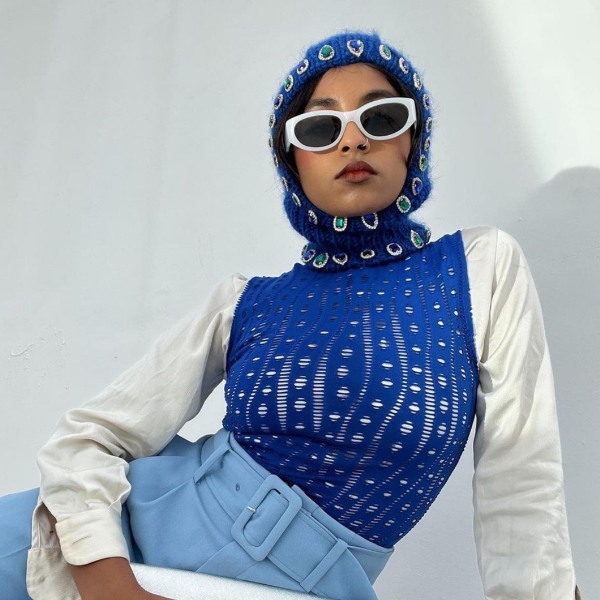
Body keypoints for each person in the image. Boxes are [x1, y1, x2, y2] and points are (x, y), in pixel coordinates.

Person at [0, 30, 580, 600]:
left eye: (380, 119)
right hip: (106, 549)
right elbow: (89, 436)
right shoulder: (243, 303)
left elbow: (521, 478)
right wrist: (110, 587)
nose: (353, 141)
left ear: (412, 141)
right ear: (293, 162)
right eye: (321, 129)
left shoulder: (477, 269)